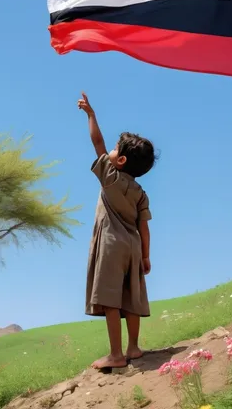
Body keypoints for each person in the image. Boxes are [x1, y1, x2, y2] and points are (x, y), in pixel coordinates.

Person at [78, 92, 156, 369]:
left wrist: (91, 115)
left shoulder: (109, 178)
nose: (108, 150)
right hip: (134, 247)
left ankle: (116, 354)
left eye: (114, 149)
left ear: (120, 161)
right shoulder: (140, 193)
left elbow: (96, 142)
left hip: (111, 244)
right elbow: (143, 227)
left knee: (111, 299)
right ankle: (133, 347)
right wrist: (146, 257)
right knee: (131, 297)